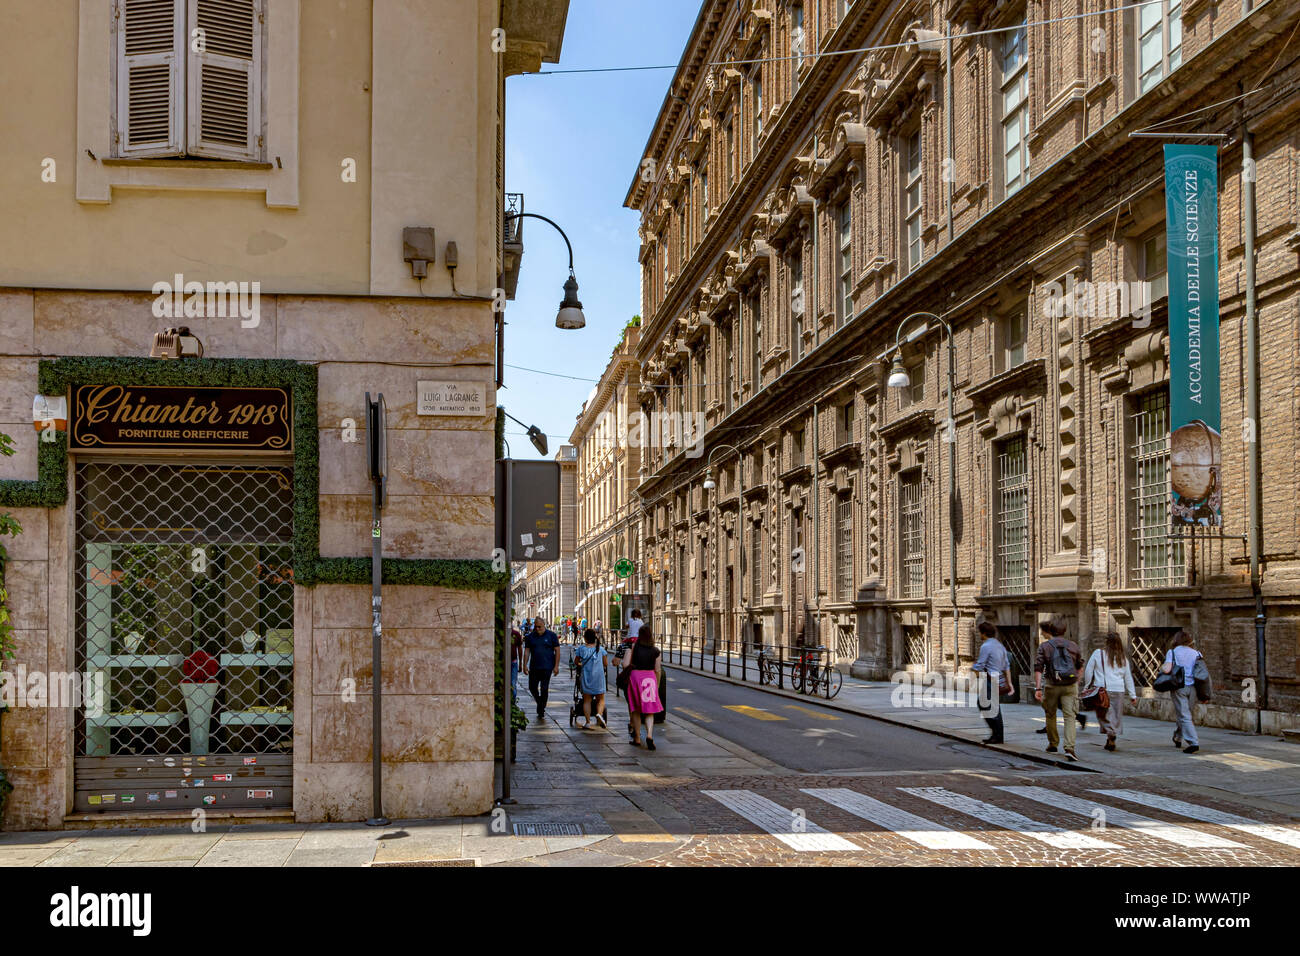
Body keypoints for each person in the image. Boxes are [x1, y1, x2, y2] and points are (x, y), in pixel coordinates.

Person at [1033, 614, 1084, 761]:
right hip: (1069, 685)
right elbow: (1080, 667)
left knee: (1050, 714)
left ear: (1051, 630)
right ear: (1064, 630)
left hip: (1051, 685)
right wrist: (1076, 682)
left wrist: (1038, 688)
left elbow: (1038, 668)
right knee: (1070, 717)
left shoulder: (1045, 646)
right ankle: (1069, 747)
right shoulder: (1073, 645)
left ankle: (1053, 744)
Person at [1082, 631, 1137, 752]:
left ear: (1106, 642)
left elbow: (1088, 670)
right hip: (1119, 690)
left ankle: (1110, 733)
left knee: (1103, 715)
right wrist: (1133, 694)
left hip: (1102, 690)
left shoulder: (1098, 654)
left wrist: (1086, 686)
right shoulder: (1123, 658)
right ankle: (1111, 737)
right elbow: (1128, 677)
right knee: (1115, 716)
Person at [621, 626, 664, 749]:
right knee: (649, 710)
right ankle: (650, 735)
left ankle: (637, 739)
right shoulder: (656, 651)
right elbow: (657, 670)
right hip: (650, 679)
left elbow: (625, 665)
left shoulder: (633, 647)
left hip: (635, 678)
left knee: (636, 710)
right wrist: (657, 684)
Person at [1161, 629, 1202, 754]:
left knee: (1184, 715)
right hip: (1193, 687)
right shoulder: (1197, 653)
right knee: (1186, 714)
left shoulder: (1172, 652)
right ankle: (1178, 737)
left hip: (1178, 687)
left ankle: (1193, 742)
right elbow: (1201, 671)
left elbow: (1167, 670)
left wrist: (1162, 667)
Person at [971, 620, 1008, 745]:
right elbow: (1006, 663)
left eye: (980, 632)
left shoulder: (986, 646)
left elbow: (981, 664)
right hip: (999, 678)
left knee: (984, 704)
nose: (979, 635)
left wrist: (974, 668)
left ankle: (996, 734)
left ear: (984, 633)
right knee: (994, 706)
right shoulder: (999, 645)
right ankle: (998, 735)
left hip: (990, 679)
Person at [521, 615, 561, 721]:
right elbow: (527, 651)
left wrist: (556, 666)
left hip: (547, 667)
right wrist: (524, 665)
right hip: (534, 667)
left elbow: (557, 650)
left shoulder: (552, 636)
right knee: (532, 687)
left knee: (544, 688)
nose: (538, 629)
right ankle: (540, 704)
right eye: (536, 627)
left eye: (540, 627)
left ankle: (541, 709)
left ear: (544, 625)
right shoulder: (530, 637)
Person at [572, 628, 609, 730]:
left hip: (587, 677)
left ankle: (588, 722)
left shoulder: (581, 649)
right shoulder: (601, 649)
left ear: (585, 638)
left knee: (587, 700)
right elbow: (605, 664)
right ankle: (599, 714)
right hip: (599, 678)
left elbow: (576, 662)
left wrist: (582, 664)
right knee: (600, 699)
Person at [509, 623, 523, 702]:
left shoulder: (516, 634)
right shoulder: (505, 633)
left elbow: (520, 648)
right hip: (505, 663)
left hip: (513, 662)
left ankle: (513, 703)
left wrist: (520, 663)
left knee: (513, 683)